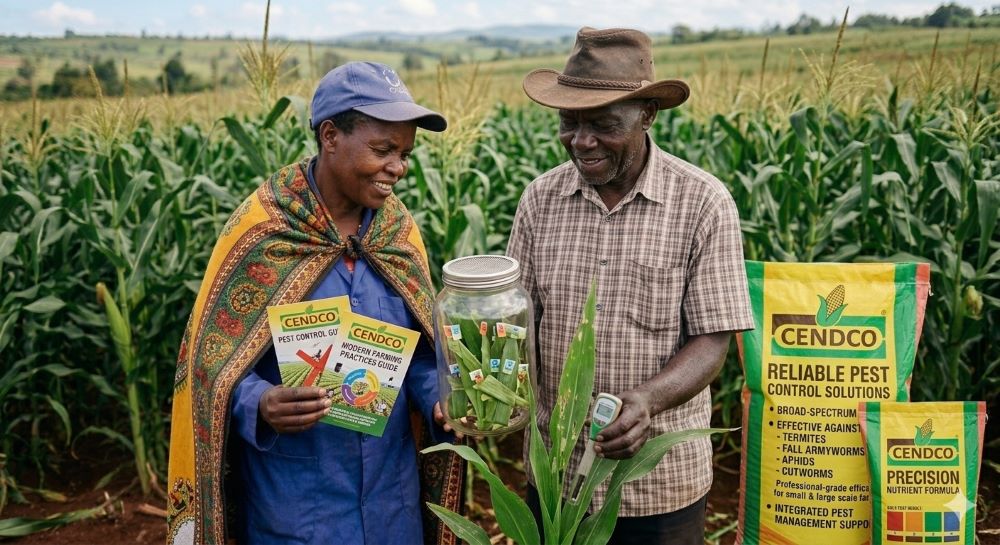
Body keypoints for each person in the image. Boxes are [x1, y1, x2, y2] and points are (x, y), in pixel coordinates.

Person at [165, 61, 463, 545]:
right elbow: (211, 369)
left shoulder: (397, 234)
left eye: (405, 153)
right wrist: (259, 403)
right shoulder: (264, 233)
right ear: (330, 136)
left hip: (393, 509)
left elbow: (424, 356)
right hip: (297, 510)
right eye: (384, 149)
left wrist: (438, 400)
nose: (398, 168)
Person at [506, 28, 755, 545]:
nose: (582, 140)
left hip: (656, 481)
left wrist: (648, 400)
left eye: (602, 124)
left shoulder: (703, 203)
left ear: (647, 114)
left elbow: (713, 340)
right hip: (557, 477)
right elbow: (516, 320)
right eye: (569, 123)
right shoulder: (539, 199)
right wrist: (493, 389)